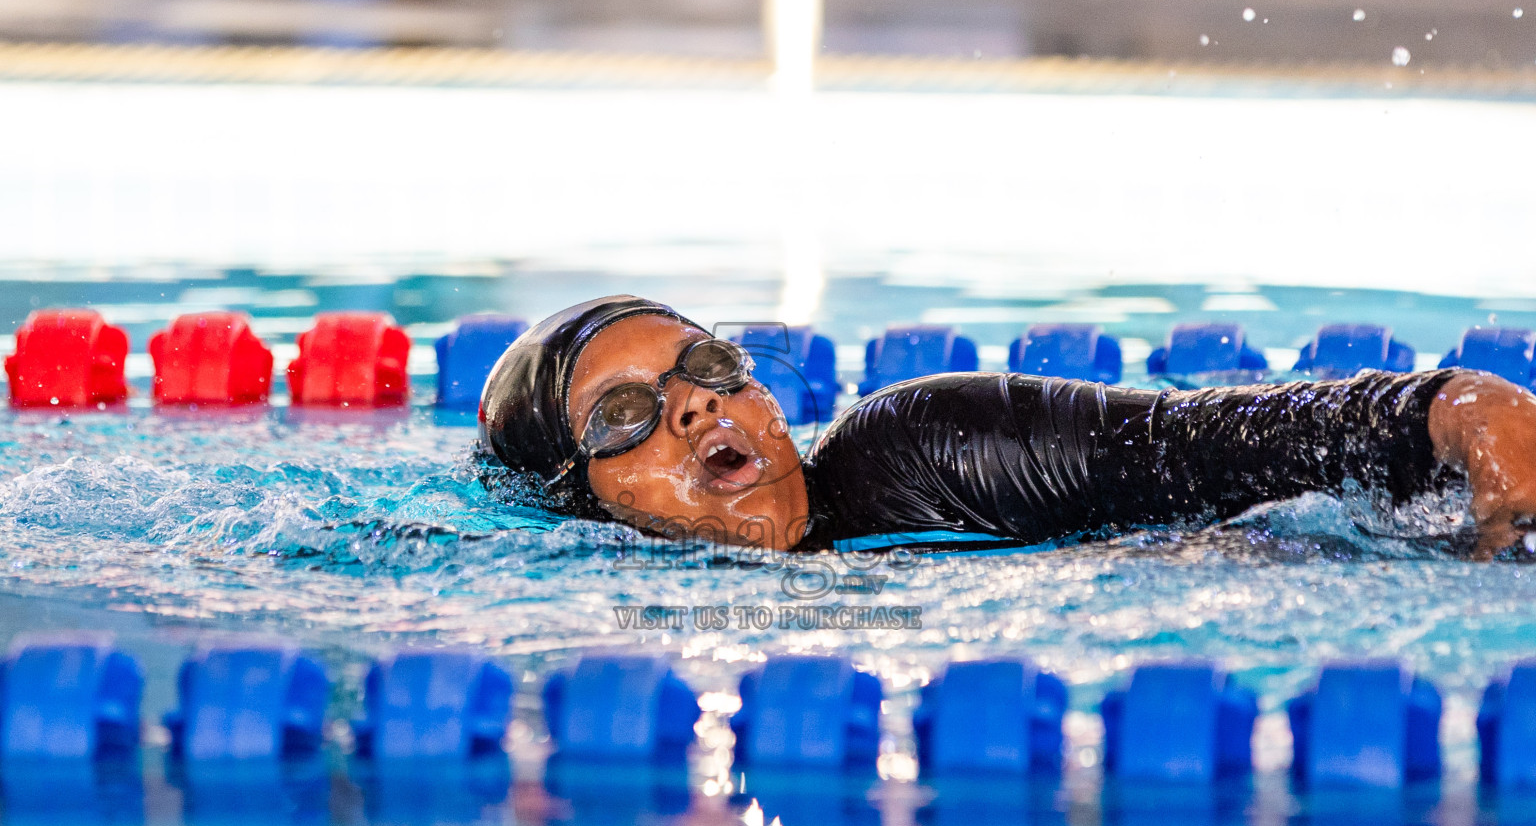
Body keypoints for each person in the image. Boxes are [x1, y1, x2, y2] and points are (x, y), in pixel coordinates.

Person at [479, 295, 1536, 559]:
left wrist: (1456, 411)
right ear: (577, 503)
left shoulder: (929, 446)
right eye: (626, 415)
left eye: (707, 370)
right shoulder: (616, 609)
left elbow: (1217, 441)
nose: (696, 406)